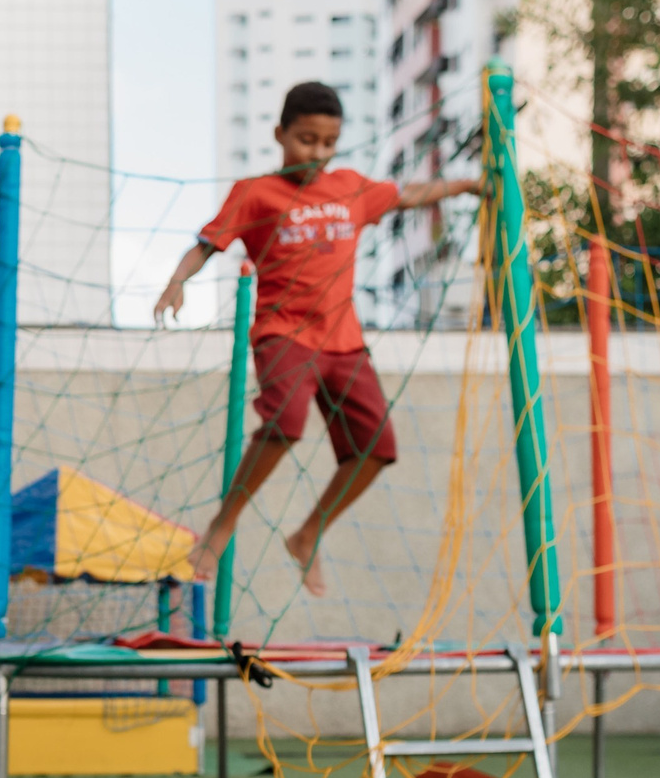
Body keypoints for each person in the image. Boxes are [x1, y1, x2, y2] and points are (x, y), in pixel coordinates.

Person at [153, 80, 482, 595]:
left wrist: (467, 186)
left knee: (377, 446)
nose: (319, 153)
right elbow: (207, 244)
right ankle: (222, 527)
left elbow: (409, 194)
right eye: (307, 140)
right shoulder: (256, 192)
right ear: (280, 134)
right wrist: (177, 283)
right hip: (285, 334)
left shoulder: (349, 187)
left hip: (344, 341)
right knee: (285, 421)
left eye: (329, 143)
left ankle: (308, 534)